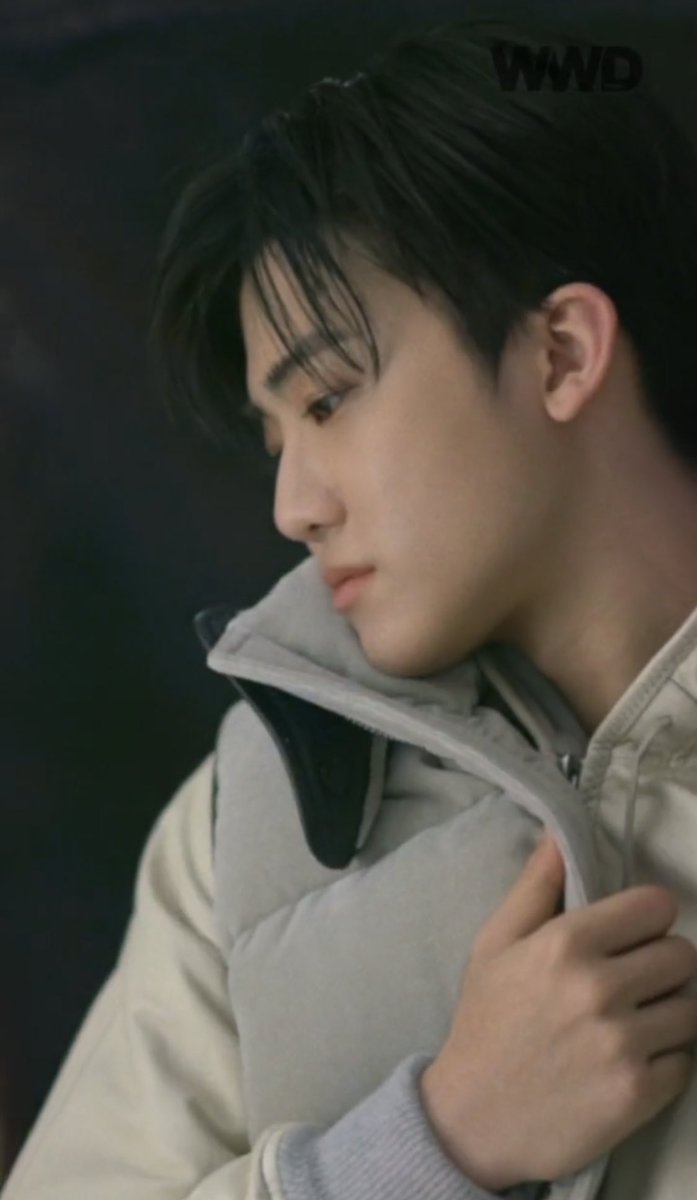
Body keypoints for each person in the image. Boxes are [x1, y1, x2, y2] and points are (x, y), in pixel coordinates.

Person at [3, 15, 697, 1200]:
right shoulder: (240, 827)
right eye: (274, 439)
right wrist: (432, 1146)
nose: (292, 507)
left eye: (326, 400)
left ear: (562, 353)